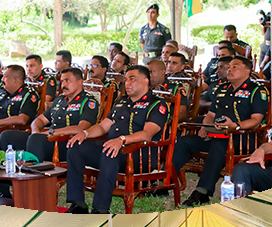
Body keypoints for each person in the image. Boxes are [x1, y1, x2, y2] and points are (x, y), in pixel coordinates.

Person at [64, 65, 169, 214]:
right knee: (76, 146)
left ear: (145, 81)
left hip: (139, 154)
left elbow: (147, 134)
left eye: (132, 79)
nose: (127, 83)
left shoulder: (157, 103)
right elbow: (103, 127)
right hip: (115, 148)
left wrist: (121, 140)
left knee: (110, 151)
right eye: (126, 80)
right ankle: (78, 203)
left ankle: (100, 209)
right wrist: (85, 133)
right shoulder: (122, 102)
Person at [173, 57, 268, 206]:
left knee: (218, 144)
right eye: (229, 67)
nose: (229, 69)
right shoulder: (222, 89)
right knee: (185, 141)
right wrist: (206, 126)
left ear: (247, 71)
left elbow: (256, 120)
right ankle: (166, 182)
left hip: (241, 138)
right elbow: (210, 115)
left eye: (234, 67)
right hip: (216, 134)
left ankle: (202, 192)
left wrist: (235, 126)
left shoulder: (256, 90)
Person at [0, 68, 99, 163]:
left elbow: (81, 128)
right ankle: (4, 179)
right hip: (47, 139)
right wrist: (35, 131)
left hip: (66, 144)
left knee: (36, 140)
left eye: (67, 81)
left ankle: (34, 179)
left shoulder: (88, 101)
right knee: (7, 136)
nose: (63, 84)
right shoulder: (60, 100)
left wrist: (51, 133)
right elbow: (39, 120)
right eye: (62, 81)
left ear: (80, 82)